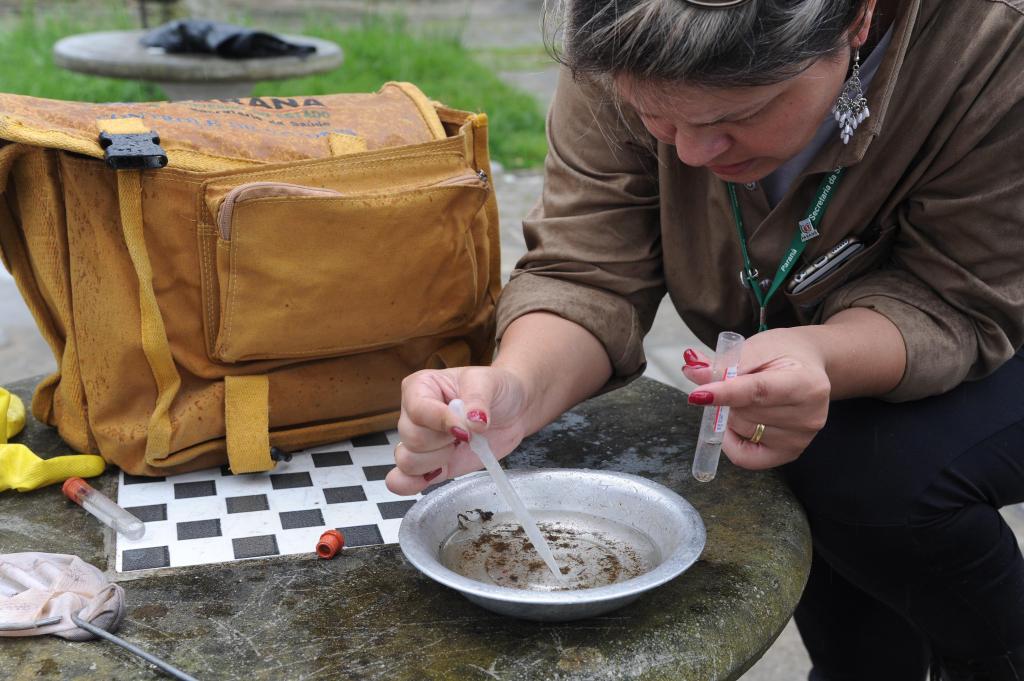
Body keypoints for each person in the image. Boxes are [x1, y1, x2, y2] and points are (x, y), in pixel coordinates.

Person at [386, 0, 1024, 678]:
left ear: (858, 20)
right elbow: (588, 267)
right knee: (800, 463)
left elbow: (957, 291)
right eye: (655, 114)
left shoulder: (991, 42)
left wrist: (822, 354)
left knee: (872, 477)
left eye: (735, 116)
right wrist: (515, 387)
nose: (688, 152)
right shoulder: (625, 28)